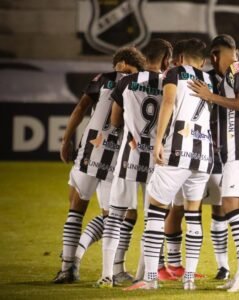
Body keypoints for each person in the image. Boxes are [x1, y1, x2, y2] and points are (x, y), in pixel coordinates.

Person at [126, 38, 214, 291]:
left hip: (179, 147)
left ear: (180, 58)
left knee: (154, 211)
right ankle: (189, 280)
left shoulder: (175, 73)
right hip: (204, 151)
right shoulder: (210, 80)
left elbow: (167, 102)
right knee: (194, 215)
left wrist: (158, 142)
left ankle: (150, 279)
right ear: (204, 60)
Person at [53, 47, 145, 284]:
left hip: (88, 152)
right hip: (116, 158)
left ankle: (67, 268)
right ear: (123, 64)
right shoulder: (137, 84)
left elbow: (80, 107)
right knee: (117, 216)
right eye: (133, 69)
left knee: (76, 209)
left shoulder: (100, 79)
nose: (133, 74)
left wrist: (65, 140)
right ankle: (110, 270)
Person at [95, 39, 173, 288]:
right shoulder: (169, 86)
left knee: (115, 217)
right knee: (154, 219)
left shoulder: (127, 83)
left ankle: (107, 274)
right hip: (158, 162)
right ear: (166, 60)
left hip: (129, 158)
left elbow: (115, 121)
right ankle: (143, 275)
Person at [189, 34, 239, 292]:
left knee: (229, 204)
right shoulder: (235, 72)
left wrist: (210, 96)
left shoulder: (236, 68)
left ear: (215, 56)